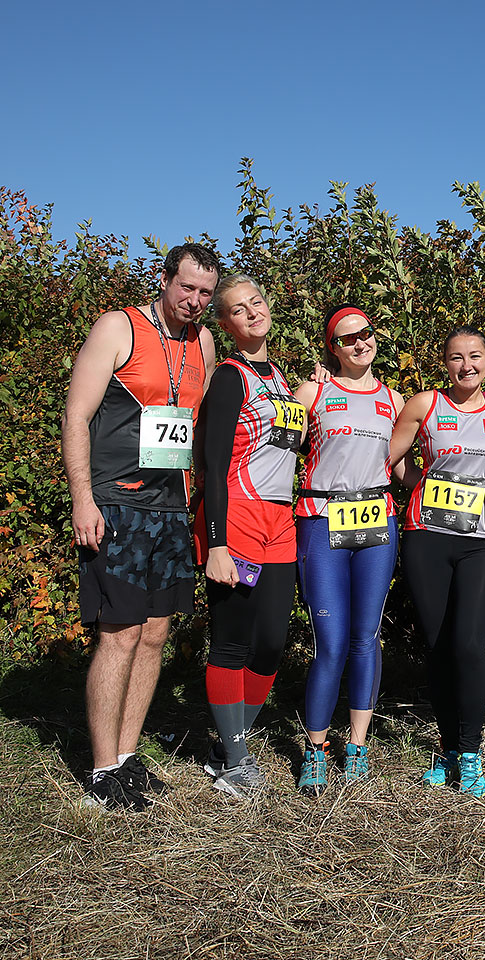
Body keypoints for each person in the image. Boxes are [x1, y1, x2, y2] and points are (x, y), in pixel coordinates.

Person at [63, 243, 220, 810]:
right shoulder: (119, 327)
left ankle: (127, 757)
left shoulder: (203, 342)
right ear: (165, 278)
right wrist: (83, 500)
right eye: (187, 287)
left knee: (154, 635)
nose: (194, 300)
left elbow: (202, 424)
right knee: (120, 633)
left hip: (172, 507)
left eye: (205, 293)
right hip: (116, 503)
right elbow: (76, 415)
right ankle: (102, 769)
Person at [389, 325, 485, 797]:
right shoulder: (424, 404)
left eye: (475, 356)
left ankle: (471, 751)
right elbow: (390, 457)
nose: (467, 366)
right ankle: (447, 749)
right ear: (445, 363)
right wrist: (419, 483)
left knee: (469, 644)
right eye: (457, 357)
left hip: (480, 541)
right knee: (440, 645)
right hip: (428, 538)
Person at [195, 275, 303, 797]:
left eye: (256, 302)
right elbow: (213, 466)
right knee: (233, 641)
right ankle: (234, 760)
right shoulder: (228, 377)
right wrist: (215, 543)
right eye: (238, 309)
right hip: (235, 518)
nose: (252, 312)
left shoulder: (281, 379)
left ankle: (227, 741)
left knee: (272, 645)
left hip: (280, 521)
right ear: (225, 324)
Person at [293, 305, 408, 795]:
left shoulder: (395, 399)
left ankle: (357, 746)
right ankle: (316, 750)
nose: (360, 343)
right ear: (332, 349)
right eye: (347, 338)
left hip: (377, 519)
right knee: (331, 642)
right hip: (322, 518)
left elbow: (401, 466)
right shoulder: (313, 392)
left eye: (366, 333)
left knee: (366, 637)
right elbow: (278, 450)